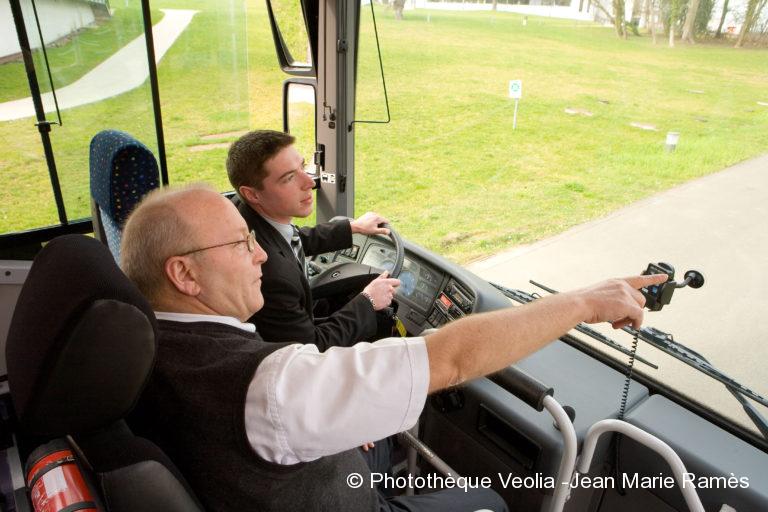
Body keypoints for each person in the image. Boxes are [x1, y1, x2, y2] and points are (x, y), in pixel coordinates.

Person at [121, 184, 667, 512]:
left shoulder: (138, 344)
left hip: (275, 480)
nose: (261, 256)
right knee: (491, 500)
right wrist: (584, 304)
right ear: (185, 274)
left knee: (380, 438)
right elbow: (451, 358)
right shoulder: (271, 386)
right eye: (242, 244)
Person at [226, 130, 400, 350]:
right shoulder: (270, 275)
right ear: (252, 194)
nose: (309, 182)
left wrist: (352, 227)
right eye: (289, 178)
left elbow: (293, 238)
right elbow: (311, 348)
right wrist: (368, 300)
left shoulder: (249, 214)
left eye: (303, 166)